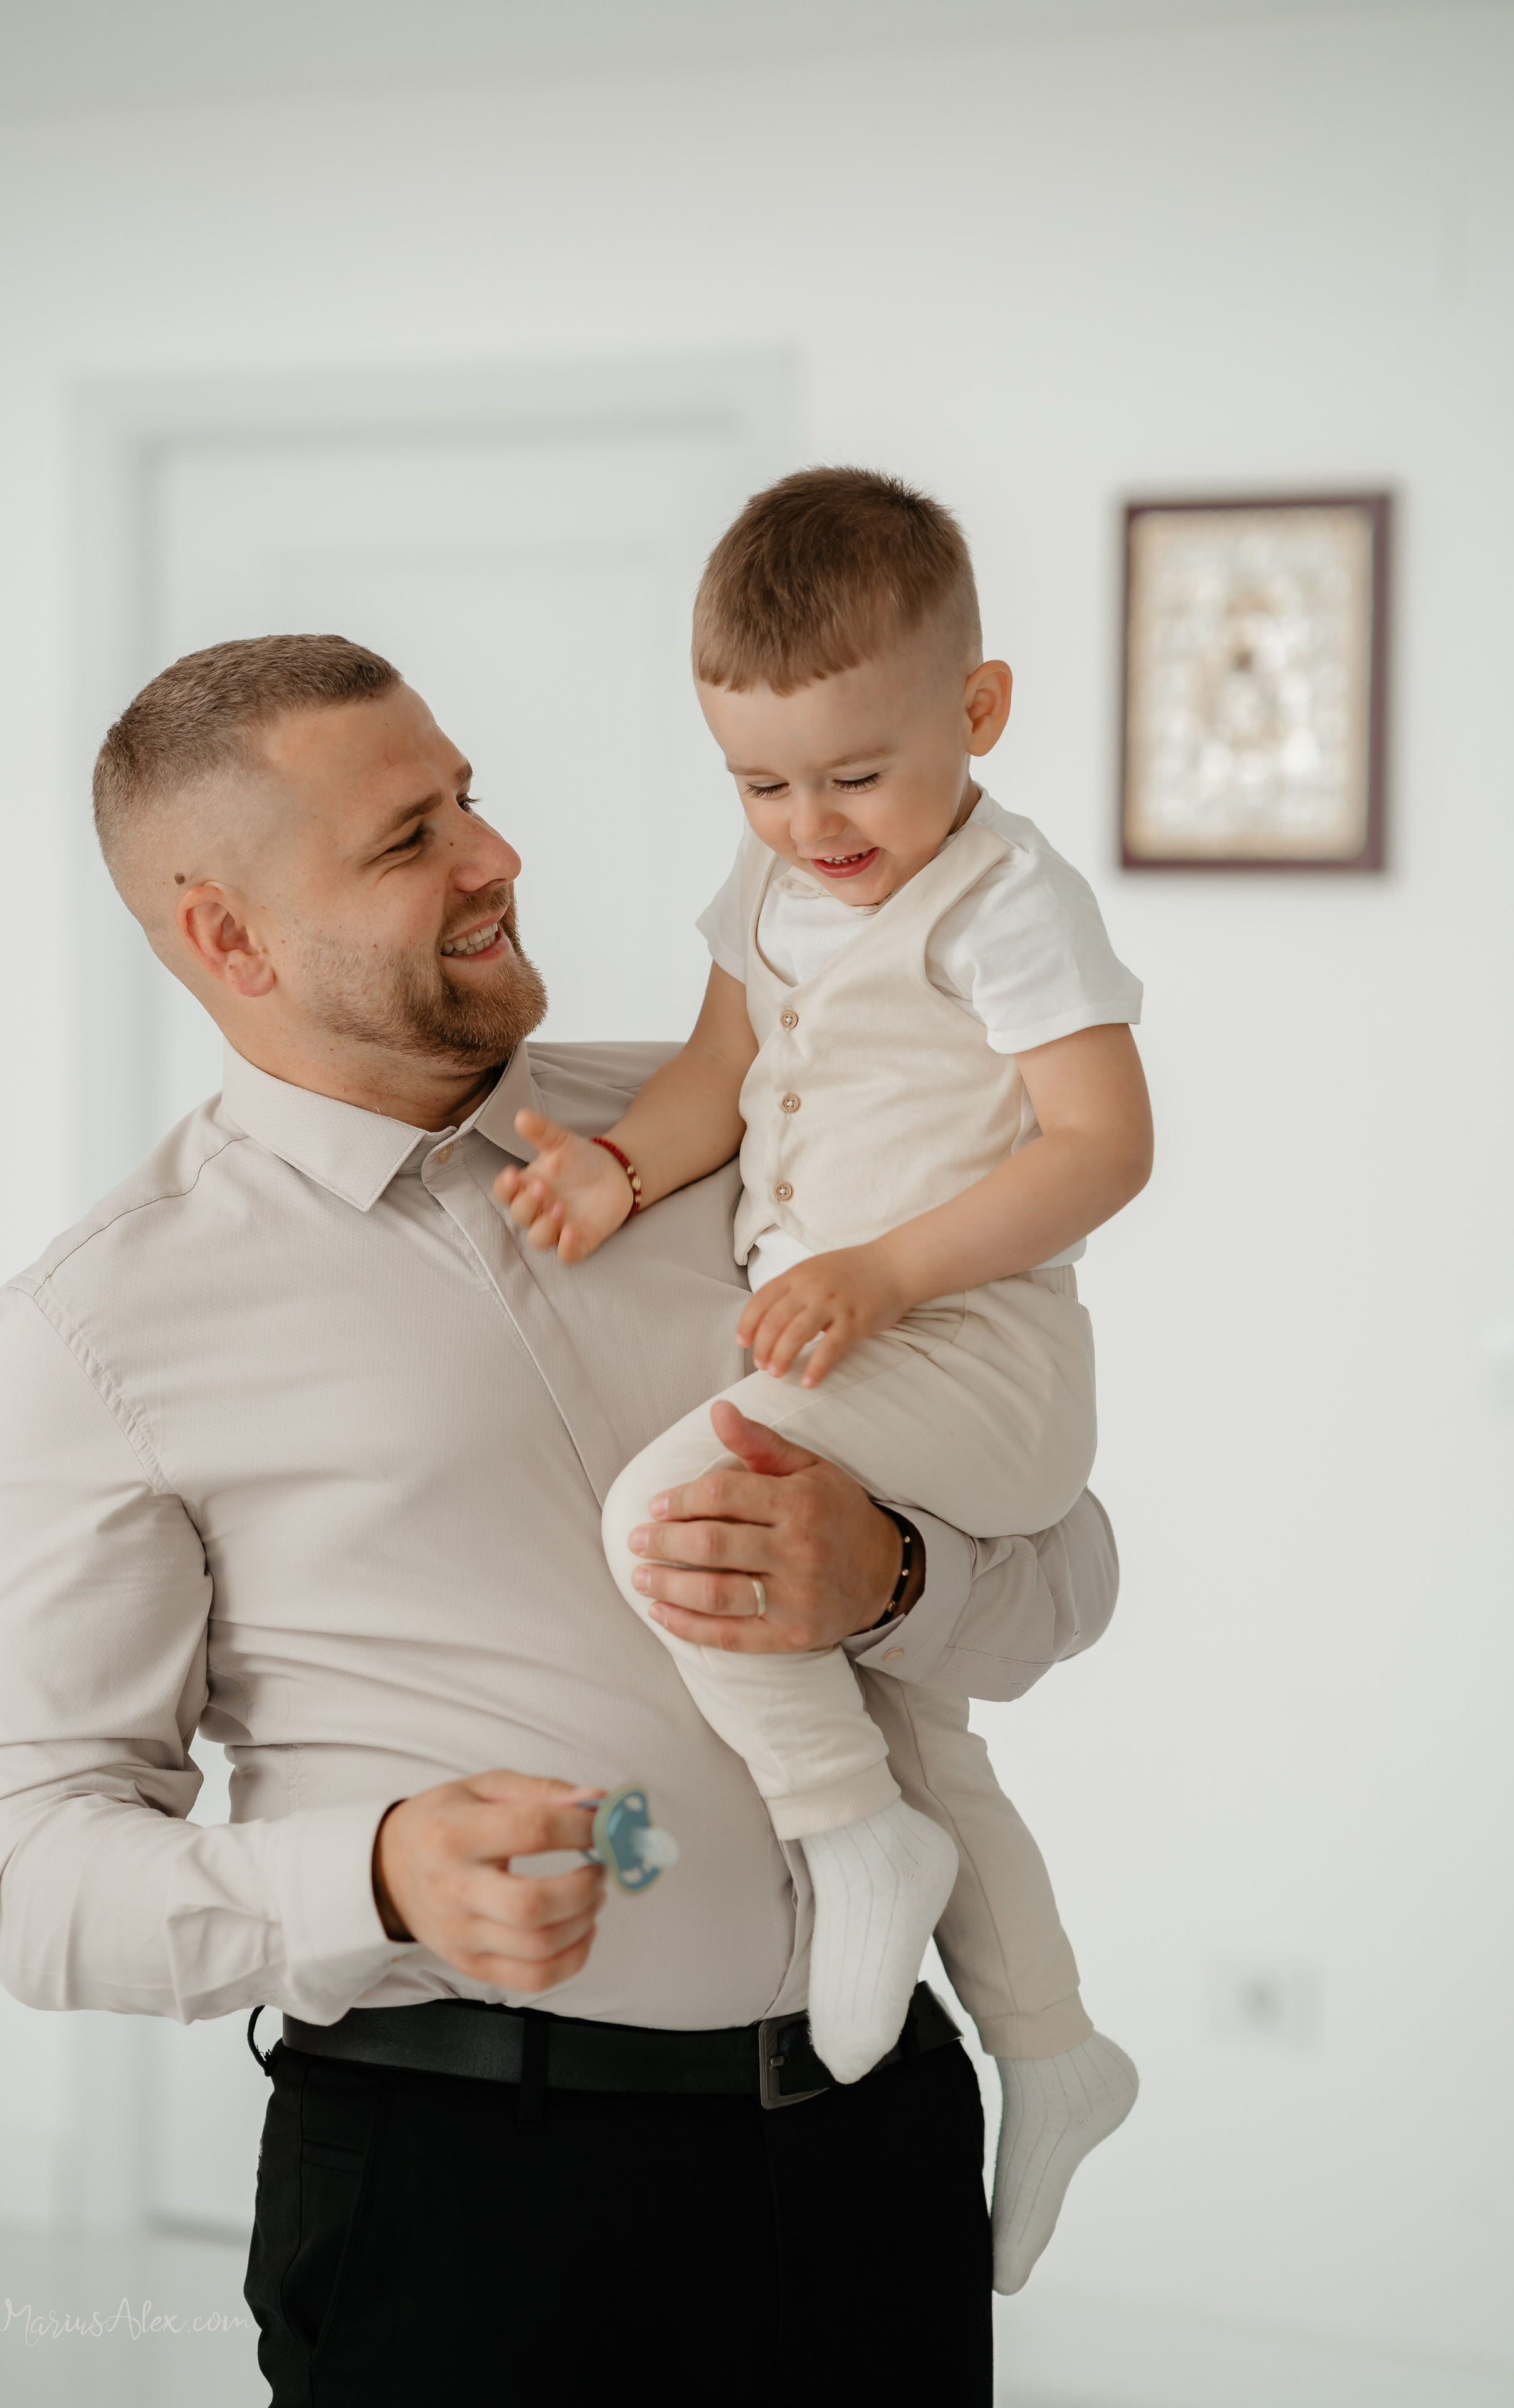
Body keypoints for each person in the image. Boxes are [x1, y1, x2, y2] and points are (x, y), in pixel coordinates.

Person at [0, 633, 1121, 2404]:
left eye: (470, 798)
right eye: (409, 837)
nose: (495, 857)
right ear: (228, 937)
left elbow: (1069, 1573)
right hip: (474, 2211)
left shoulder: (738, 1136)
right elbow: (32, 1875)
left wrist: (886, 1580)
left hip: (875, 2149)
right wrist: (378, 1874)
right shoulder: (95, 1331)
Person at [493, 468, 1147, 2288]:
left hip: (977, 1349)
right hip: (865, 1336)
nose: (812, 823)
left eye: (856, 773)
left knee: (677, 1515)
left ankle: (841, 1840)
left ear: (979, 712)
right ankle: (1057, 2046)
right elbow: (718, 1073)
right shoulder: (771, 890)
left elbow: (1103, 1146)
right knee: (917, 1716)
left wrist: (883, 1269)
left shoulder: (1008, 900)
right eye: (761, 782)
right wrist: (624, 1169)